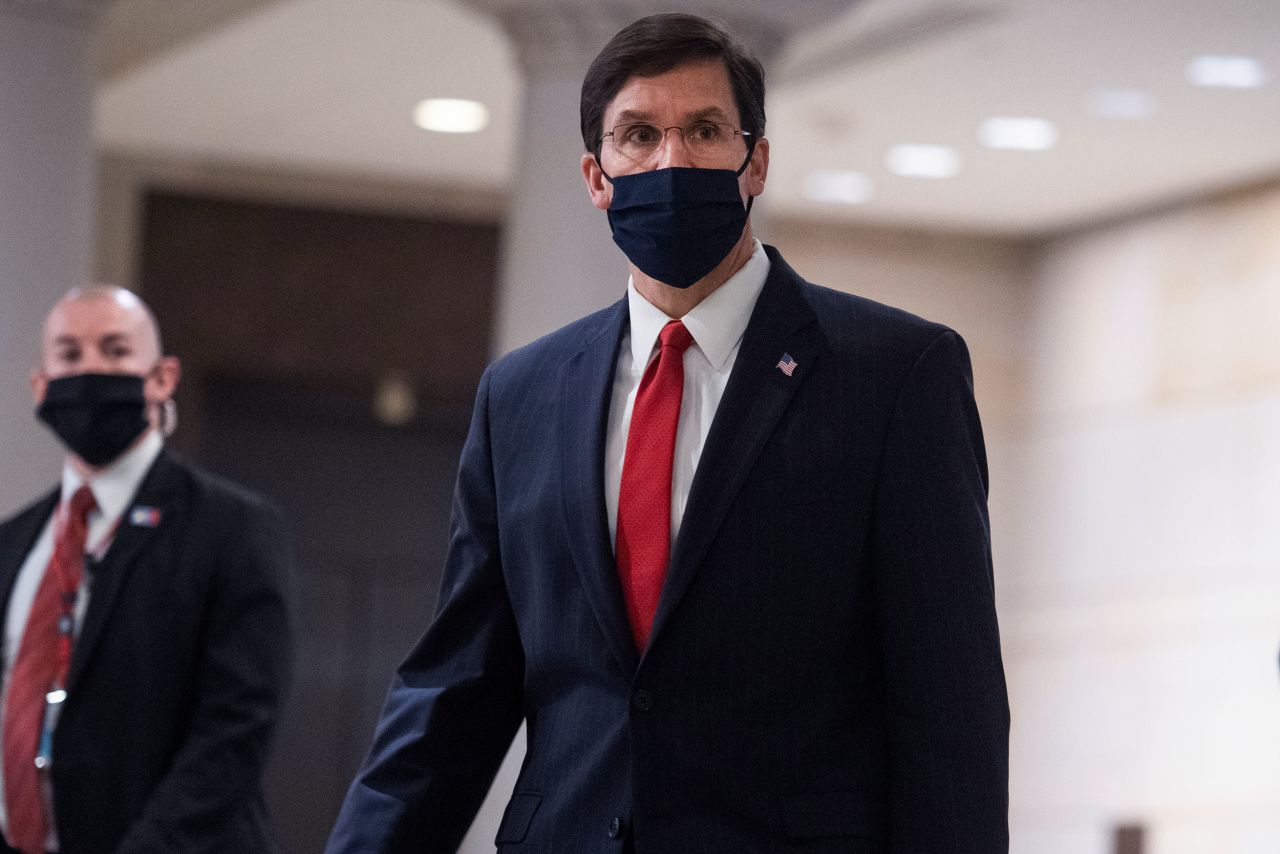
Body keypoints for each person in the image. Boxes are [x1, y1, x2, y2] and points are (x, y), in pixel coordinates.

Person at [328, 12, 1008, 854]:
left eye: (705, 131)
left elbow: (950, 703)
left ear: (755, 161)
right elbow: (458, 686)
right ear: (595, 176)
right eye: (639, 136)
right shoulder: (523, 396)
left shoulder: (896, 374)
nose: (672, 161)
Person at [0, 286, 293, 853]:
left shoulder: (233, 530)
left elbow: (236, 734)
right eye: (69, 354)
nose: (90, 370)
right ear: (40, 386)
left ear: (162, 377)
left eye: (114, 351)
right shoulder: (13, 543)